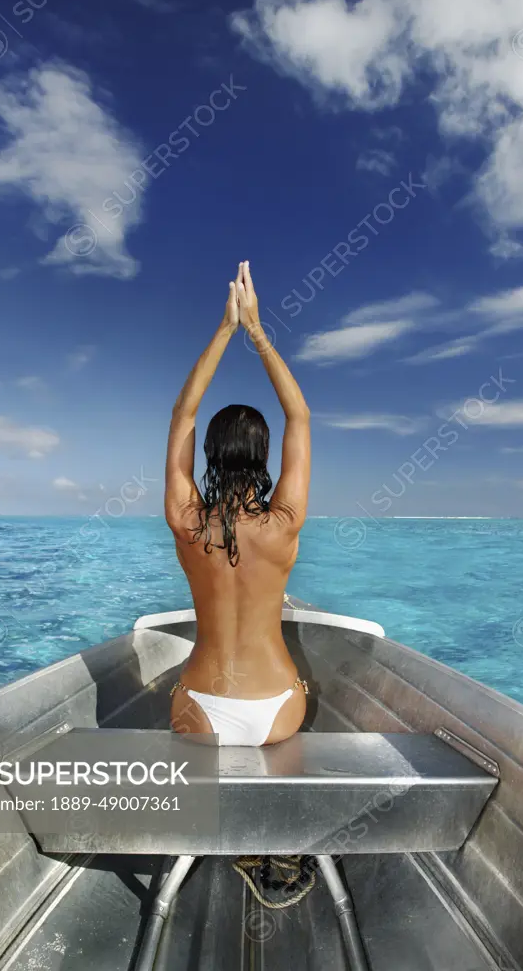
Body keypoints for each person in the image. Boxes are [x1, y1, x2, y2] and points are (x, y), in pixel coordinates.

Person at [164, 260, 311, 746]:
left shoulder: (187, 521)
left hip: (199, 706)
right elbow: (299, 415)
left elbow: (183, 411)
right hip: (278, 708)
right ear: (266, 455)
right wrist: (256, 330)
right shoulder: (283, 524)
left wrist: (226, 329)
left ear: (209, 453)